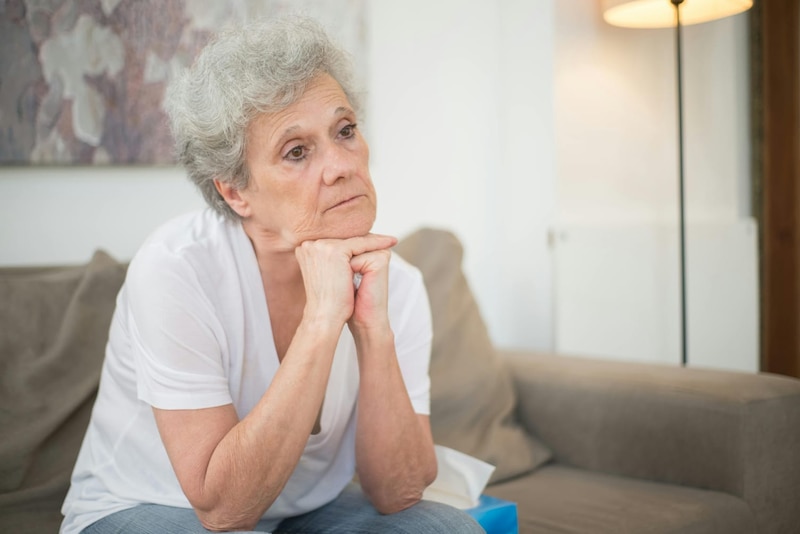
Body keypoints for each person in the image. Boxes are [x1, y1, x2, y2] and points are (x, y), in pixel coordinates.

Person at [60, 15, 484, 534]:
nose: (340, 165)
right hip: (154, 508)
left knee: (451, 530)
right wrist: (323, 320)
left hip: (303, 512)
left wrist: (374, 331)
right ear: (236, 193)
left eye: (345, 131)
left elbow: (400, 491)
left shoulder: (402, 284)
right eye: (297, 151)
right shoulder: (175, 270)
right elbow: (223, 510)